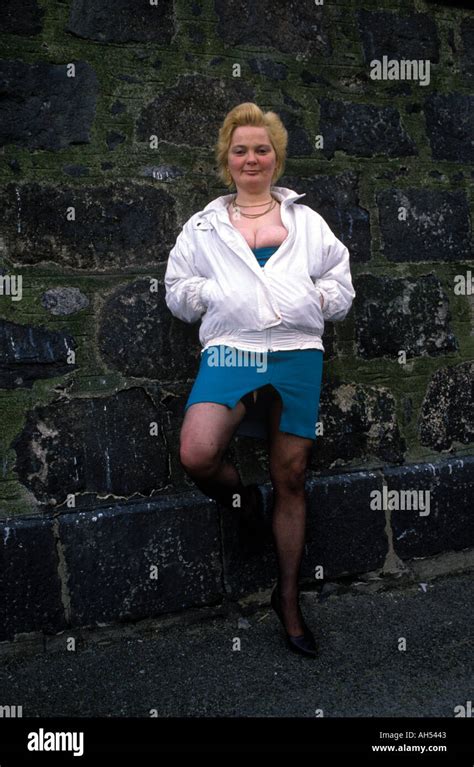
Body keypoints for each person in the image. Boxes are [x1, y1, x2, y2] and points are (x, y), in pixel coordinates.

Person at [165, 102, 355, 658]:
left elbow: (340, 288)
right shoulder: (203, 226)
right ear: (228, 159)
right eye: (241, 149)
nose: (252, 158)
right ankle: (244, 504)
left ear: (276, 157)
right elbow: (177, 290)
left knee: (291, 476)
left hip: (297, 354)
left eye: (262, 149)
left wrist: (313, 297)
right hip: (231, 353)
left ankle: (289, 599)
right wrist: (213, 294)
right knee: (198, 453)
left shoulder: (307, 222)